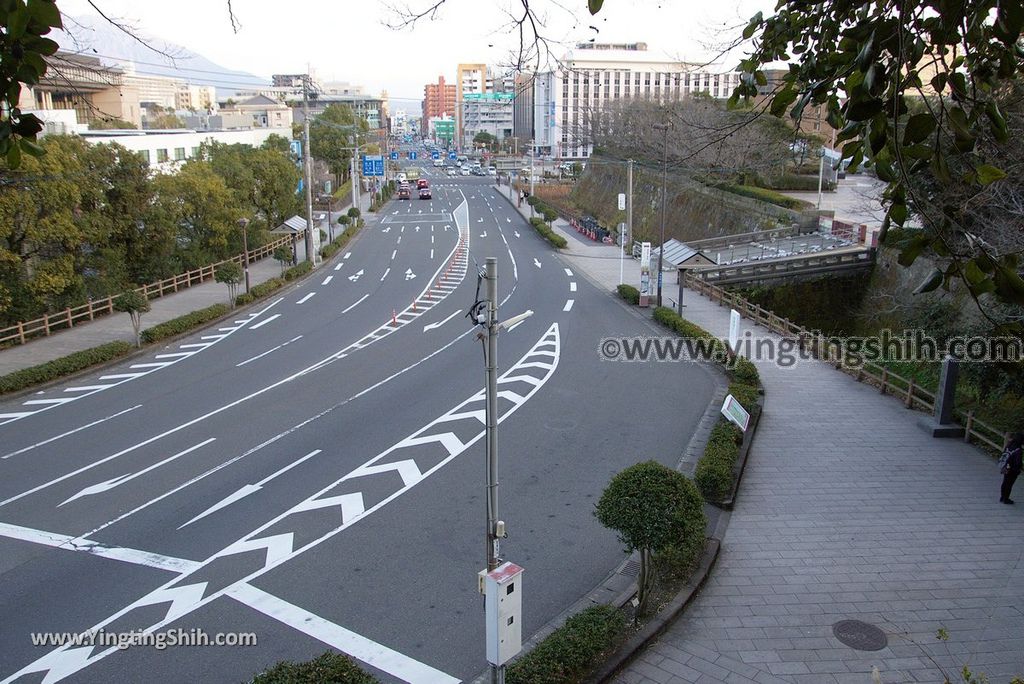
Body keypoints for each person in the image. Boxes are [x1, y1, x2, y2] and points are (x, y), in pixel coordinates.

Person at [1000, 432, 1023, 504]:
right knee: (1009, 484)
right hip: (1012, 469)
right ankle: (1006, 499)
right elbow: (1017, 462)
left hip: (1006, 467)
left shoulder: (1009, 445)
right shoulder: (1018, 450)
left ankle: (1002, 497)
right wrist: (1018, 470)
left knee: (1005, 482)